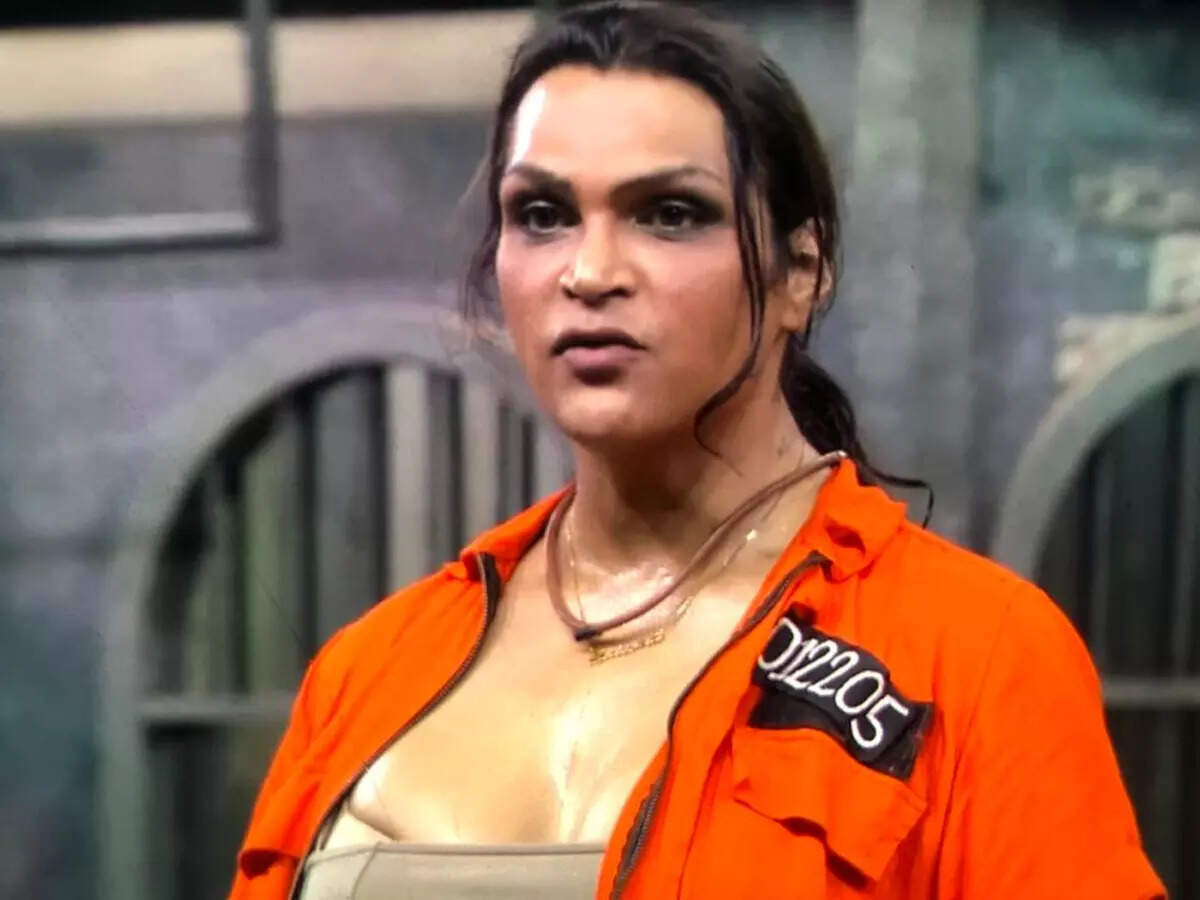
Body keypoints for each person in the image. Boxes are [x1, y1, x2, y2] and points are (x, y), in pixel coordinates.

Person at [229, 2, 1165, 898]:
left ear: (801, 271)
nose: (590, 272)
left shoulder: (974, 656)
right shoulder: (370, 670)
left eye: (670, 213)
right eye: (543, 214)